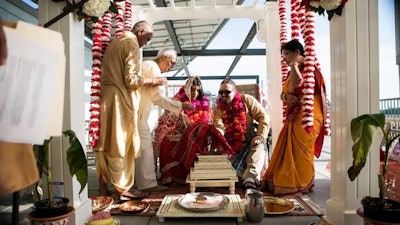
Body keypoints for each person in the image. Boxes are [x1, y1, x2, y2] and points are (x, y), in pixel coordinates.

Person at [93, 20, 166, 200]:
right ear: (140, 32)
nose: (147, 43)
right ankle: (123, 189)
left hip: (107, 99)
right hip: (120, 101)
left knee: (106, 143)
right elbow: (131, 80)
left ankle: (103, 189)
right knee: (121, 143)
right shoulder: (132, 44)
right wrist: (152, 81)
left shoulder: (116, 43)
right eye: (148, 38)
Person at [262, 40, 329, 196]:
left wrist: (293, 66)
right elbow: (287, 93)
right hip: (296, 116)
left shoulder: (309, 69)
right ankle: (296, 182)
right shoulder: (296, 69)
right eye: (283, 55)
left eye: (286, 54)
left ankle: (300, 183)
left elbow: (299, 82)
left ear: (297, 53)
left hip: (309, 116)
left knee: (303, 152)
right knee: (294, 151)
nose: (283, 58)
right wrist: (285, 96)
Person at [135, 47, 194, 192]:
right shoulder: (152, 67)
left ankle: (139, 184)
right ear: (163, 58)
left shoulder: (149, 65)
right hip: (136, 116)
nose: (172, 66)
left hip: (136, 115)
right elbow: (156, 98)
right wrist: (181, 106)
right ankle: (147, 185)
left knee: (140, 148)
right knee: (145, 148)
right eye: (171, 62)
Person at [152, 76, 213, 184]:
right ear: (186, 90)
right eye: (192, 89)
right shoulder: (177, 101)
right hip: (177, 134)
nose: (195, 93)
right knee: (168, 142)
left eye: (198, 90)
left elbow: (207, 122)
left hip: (194, 136)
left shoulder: (204, 105)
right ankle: (171, 177)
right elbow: (167, 121)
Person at [213, 79, 270, 190]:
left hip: (251, 139)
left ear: (235, 92)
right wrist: (219, 137)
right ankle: (238, 177)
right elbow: (219, 125)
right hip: (231, 143)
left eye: (227, 92)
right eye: (221, 92)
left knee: (258, 147)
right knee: (225, 166)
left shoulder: (247, 100)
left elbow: (264, 116)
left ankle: (250, 177)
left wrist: (260, 135)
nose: (223, 95)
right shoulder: (219, 108)